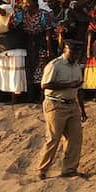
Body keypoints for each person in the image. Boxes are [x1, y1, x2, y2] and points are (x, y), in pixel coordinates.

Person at [36, 36, 86, 179]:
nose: (75, 54)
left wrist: (82, 109)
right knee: (53, 138)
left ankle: (69, 169)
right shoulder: (55, 65)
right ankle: (42, 170)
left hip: (72, 104)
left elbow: (79, 88)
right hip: (55, 104)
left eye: (78, 52)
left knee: (75, 138)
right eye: (73, 51)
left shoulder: (77, 66)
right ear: (65, 49)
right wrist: (67, 85)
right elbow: (45, 85)